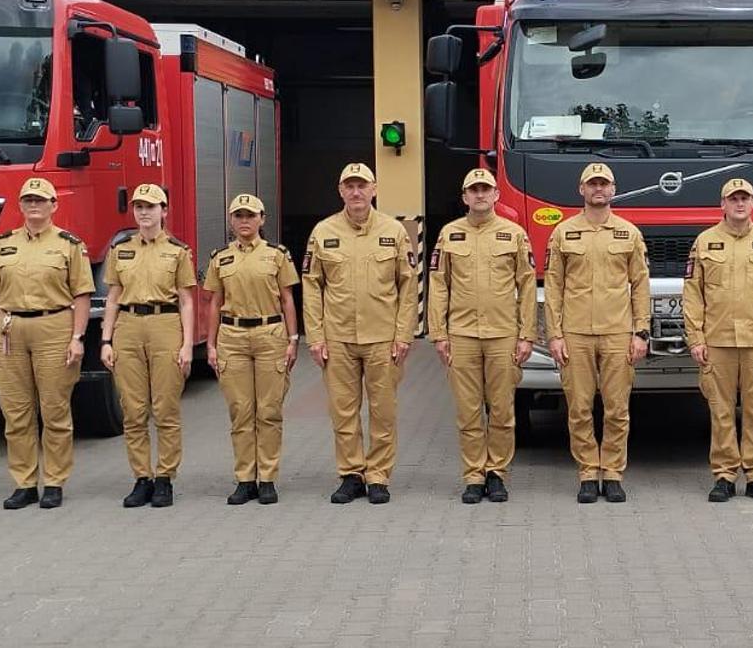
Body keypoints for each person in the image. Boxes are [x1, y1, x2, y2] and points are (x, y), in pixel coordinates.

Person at [301, 163, 418, 505]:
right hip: (338, 338)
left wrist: (403, 335)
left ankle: (378, 475)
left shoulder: (393, 231)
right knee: (343, 411)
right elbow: (312, 287)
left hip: (383, 338)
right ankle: (351, 474)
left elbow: (408, 286)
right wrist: (316, 336)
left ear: (374, 189)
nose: (356, 192)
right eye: (349, 186)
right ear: (340, 191)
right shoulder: (323, 232)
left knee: (383, 411)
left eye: (362, 186)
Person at [0, 177, 94, 510]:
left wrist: (77, 337)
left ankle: (54, 481)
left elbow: (82, 294)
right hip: (10, 330)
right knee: (16, 412)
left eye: (41, 200)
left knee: (55, 410)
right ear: (21, 205)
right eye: (28, 200)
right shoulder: (2, 245)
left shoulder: (69, 245)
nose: (34, 205)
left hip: (54, 326)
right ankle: (24, 483)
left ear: (54, 205)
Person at [426, 168, 537, 504]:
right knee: (468, 411)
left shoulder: (514, 234)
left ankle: (497, 473)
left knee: (502, 410)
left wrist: (527, 334)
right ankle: (474, 475)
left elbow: (527, 286)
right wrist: (438, 334)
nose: (479, 195)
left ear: (496, 195)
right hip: (462, 335)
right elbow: (438, 285)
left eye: (485, 190)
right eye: (473, 190)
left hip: (503, 334)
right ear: (464, 197)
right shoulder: (449, 235)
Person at [544, 162, 650, 504]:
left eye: (604, 184)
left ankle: (614, 473)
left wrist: (641, 332)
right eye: (592, 184)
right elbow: (554, 287)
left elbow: (640, 286)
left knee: (617, 408)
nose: (598, 189)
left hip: (618, 332)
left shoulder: (629, 233)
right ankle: (588, 472)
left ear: (614, 190)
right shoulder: (563, 233)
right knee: (579, 407)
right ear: (582, 190)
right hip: (575, 333)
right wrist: (555, 335)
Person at [681, 178, 753, 503]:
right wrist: (695, 338)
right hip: (717, 342)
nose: (739, 204)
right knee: (721, 411)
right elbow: (692, 295)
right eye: (733, 199)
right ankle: (725, 475)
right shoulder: (704, 242)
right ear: (723, 204)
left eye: (745, 198)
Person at [100, 183, 197, 508]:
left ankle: (165, 478)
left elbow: (186, 300)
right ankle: (142, 477)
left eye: (151, 206)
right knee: (133, 409)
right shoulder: (121, 249)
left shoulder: (178, 251)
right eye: (139, 207)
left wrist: (186, 345)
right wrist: (106, 340)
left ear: (164, 211)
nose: (144, 212)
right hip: (128, 327)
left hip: (164, 325)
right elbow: (113, 297)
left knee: (166, 409)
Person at [203, 193, 300, 506]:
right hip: (232, 337)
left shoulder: (277, 255)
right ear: (231, 221)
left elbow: (287, 299)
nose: (244, 221)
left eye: (250, 215)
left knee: (269, 411)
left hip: (270, 334)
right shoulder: (220, 258)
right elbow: (215, 302)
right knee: (241, 412)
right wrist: (211, 344)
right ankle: (245, 479)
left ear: (262, 219)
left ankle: (268, 478)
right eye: (238, 216)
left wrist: (293, 338)